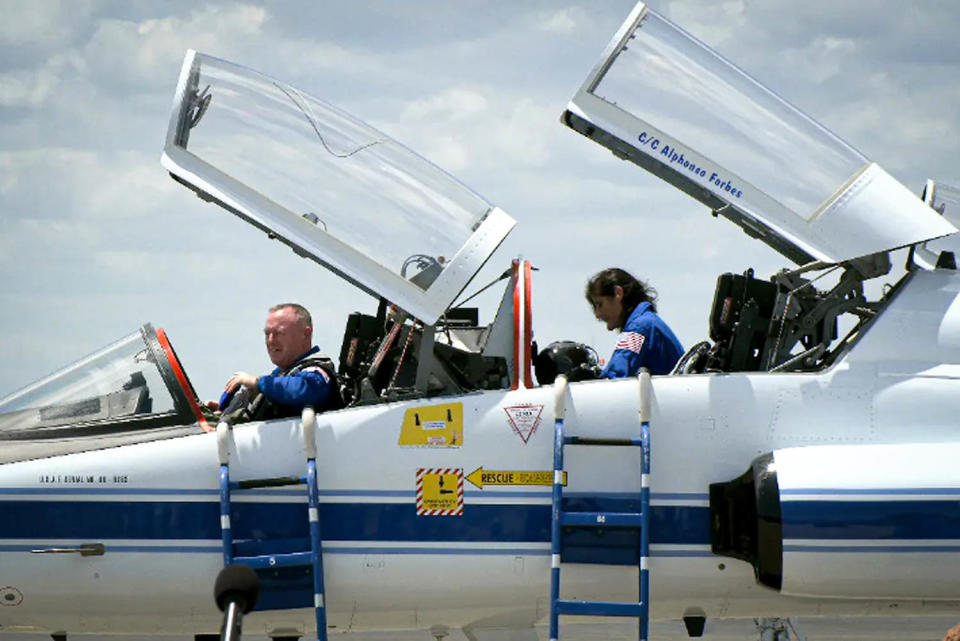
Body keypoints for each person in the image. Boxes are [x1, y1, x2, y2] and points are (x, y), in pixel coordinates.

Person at [207, 303, 343, 422]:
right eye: (267, 334)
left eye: (279, 333)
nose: (271, 341)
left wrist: (257, 382)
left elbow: (304, 389)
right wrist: (225, 409)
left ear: (306, 334)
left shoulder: (316, 372)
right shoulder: (280, 376)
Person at [585, 268, 684, 377]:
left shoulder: (638, 328)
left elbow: (617, 375)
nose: (597, 314)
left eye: (600, 304)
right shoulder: (648, 322)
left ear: (618, 293)